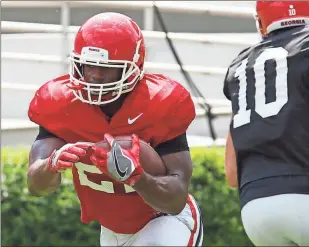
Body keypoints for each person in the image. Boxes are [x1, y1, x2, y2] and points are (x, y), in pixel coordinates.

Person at [27, 12, 203, 246]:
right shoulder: (61, 104)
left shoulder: (159, 102)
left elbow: (175, 199)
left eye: (108, 68)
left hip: (164, 221)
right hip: (111, 231)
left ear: (133, 67)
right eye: (89, 65)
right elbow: (36, 187)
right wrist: (51, 165)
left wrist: (137, 177)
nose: (95, 75)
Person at [222, 1, 309, 246]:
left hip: (255, 211)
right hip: (305, 198)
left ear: (262, 20)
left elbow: (233, 174)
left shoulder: (242, 66)